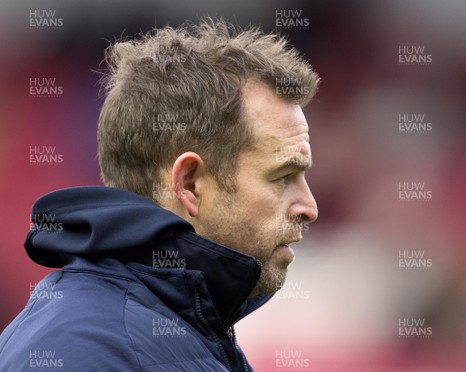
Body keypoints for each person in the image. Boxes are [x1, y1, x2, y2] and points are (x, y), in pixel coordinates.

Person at [0, 18, 319, 371]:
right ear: (189, 183)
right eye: (283, 176)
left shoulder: (180, 326)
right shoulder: (83, 351)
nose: (309, 207)